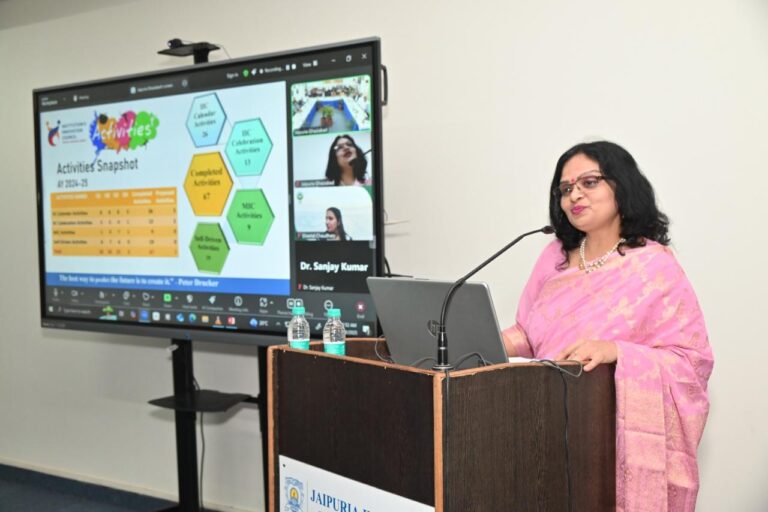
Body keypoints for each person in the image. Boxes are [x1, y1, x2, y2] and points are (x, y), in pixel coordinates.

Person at [502, 141, 713, 511]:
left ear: (622, 186)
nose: (574, 195)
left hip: (606, 439)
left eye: (589, 182)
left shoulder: (654, 266)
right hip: (541, 424)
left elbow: (690, 362)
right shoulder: (553, 256)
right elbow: (528, 333)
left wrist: (617, 352)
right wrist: (477, 338)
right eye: (565, 188)